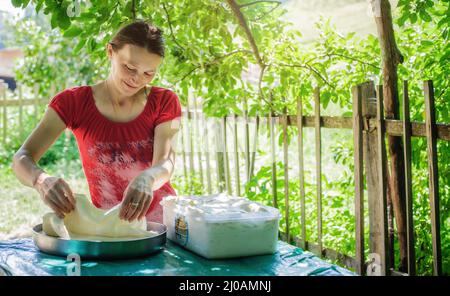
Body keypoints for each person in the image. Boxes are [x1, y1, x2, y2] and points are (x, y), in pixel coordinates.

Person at [11, 20, 182, 224]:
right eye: (129, 67)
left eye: (148, 73)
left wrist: (148, 178)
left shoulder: (165, 101)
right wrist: (41, 181)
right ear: (110, 51)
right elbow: (22, 157)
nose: (136, 79)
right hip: (110, 228)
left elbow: (166, 163)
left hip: (165, 226)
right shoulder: (73, 103)